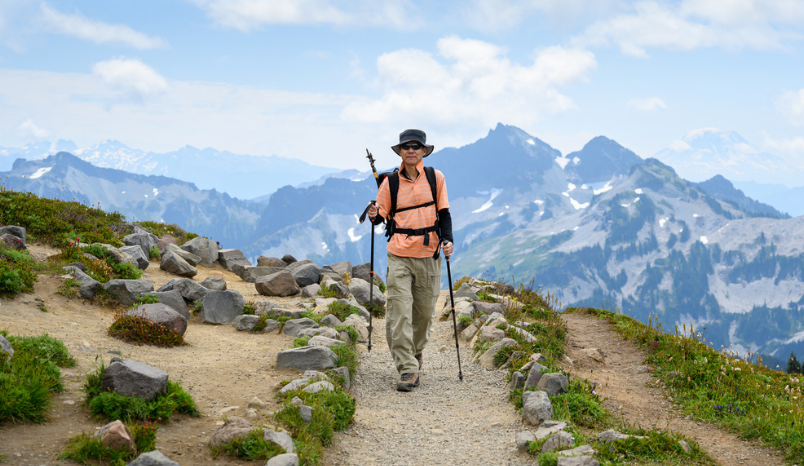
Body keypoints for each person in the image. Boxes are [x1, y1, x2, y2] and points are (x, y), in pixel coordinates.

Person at [367, 129, 454, 392]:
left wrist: (447, 240)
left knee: (425, 314)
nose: (411, 150)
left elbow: (445, 214)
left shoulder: (435, 178)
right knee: (399, 312)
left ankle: (415, 352)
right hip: (399, 255)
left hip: (429, 255)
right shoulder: (390, 183)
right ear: (400, 151)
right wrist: (373, 214)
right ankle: (406, 367)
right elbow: (379, 217)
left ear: (424, 151)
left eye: (416, 146)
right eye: (406, 146)